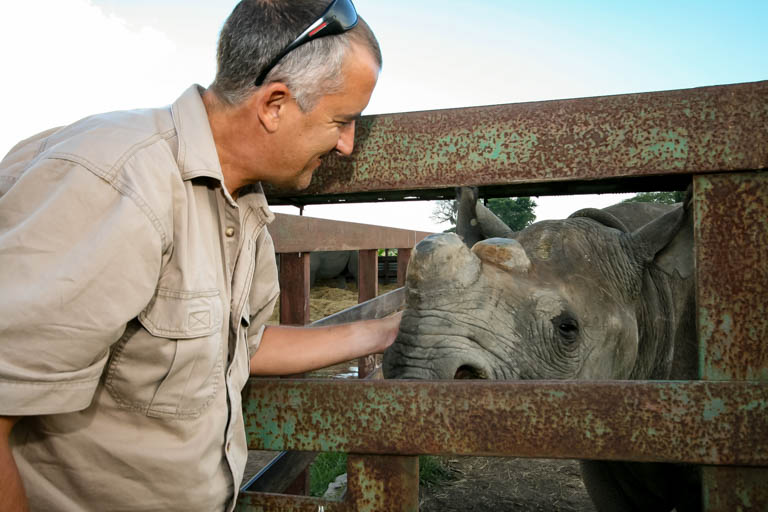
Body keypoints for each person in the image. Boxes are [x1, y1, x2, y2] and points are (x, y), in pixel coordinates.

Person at [0, 1, 399, 510]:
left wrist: (384, 329)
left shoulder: (242, 202)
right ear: (274, 104)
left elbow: (236, 348)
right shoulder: (119, 182)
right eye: (343, 120)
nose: (347, 144)